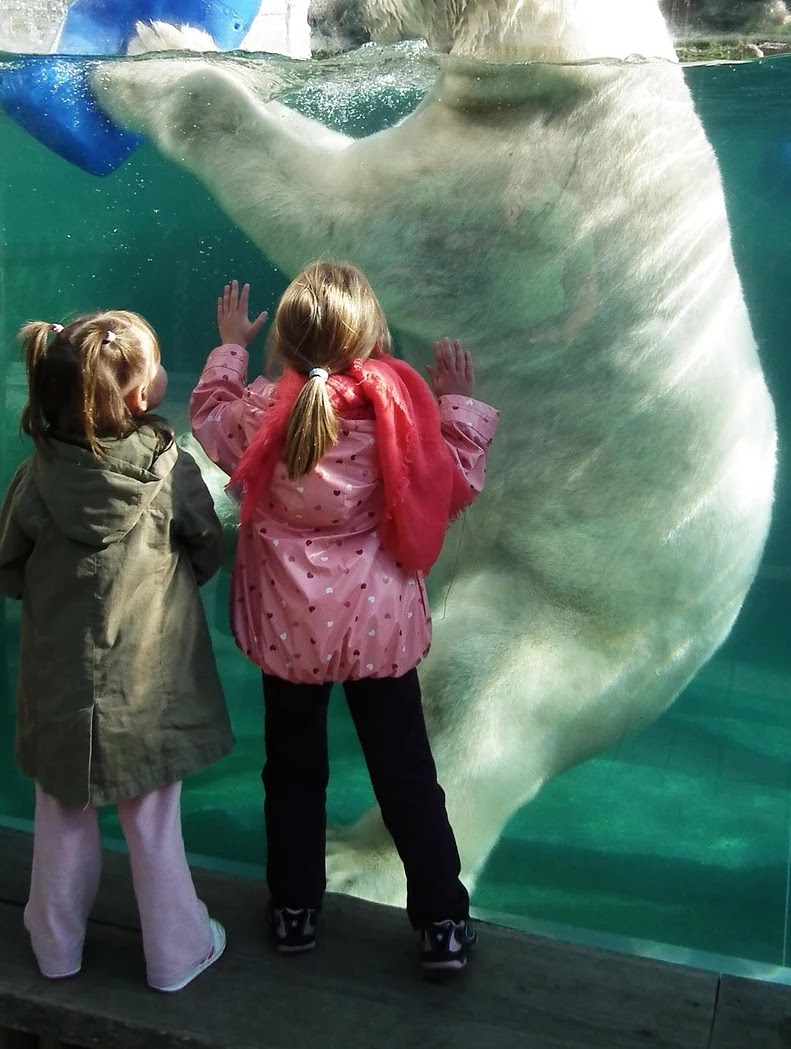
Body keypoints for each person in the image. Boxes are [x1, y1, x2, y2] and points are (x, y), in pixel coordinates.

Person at [190, 262, 499, 972]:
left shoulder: (258, 412)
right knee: (406, 775)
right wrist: (454, 401)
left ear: (286, 344)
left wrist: (231, 346)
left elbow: (209, 416)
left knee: (293, 773)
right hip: (379, 631)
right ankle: (443, 922)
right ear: (372, 336)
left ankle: (295, 910)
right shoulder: (402, 416)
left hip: (288, 633)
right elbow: (453, 486)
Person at [0, 310, 233, 992]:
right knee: (153, 821)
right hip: (149, 688)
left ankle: (54, 946)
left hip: (60, 684)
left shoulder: (35, 477)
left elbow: (7, 564)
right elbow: (207, 546)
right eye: (157, 363)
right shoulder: (170, 471)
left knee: (61, 810)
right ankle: (175, 952)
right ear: (141, 397)